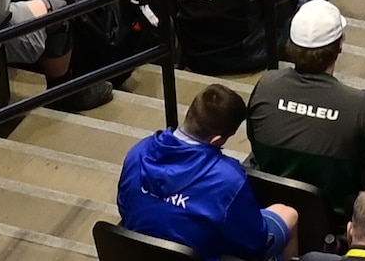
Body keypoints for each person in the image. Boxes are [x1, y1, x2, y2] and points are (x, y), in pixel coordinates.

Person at [121, 85, 293, 261]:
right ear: (216, 140)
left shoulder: (138, 152)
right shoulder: (228, 180)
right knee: (287, 214)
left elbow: (124, 209)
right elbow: (254, 244)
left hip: (138, 253)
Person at [246, 2, 365, 201]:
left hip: (266, 204)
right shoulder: (360, 108)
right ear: (339, 46)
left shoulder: (266, 86)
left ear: (290, 45)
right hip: (333, 215)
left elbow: (254, 143)